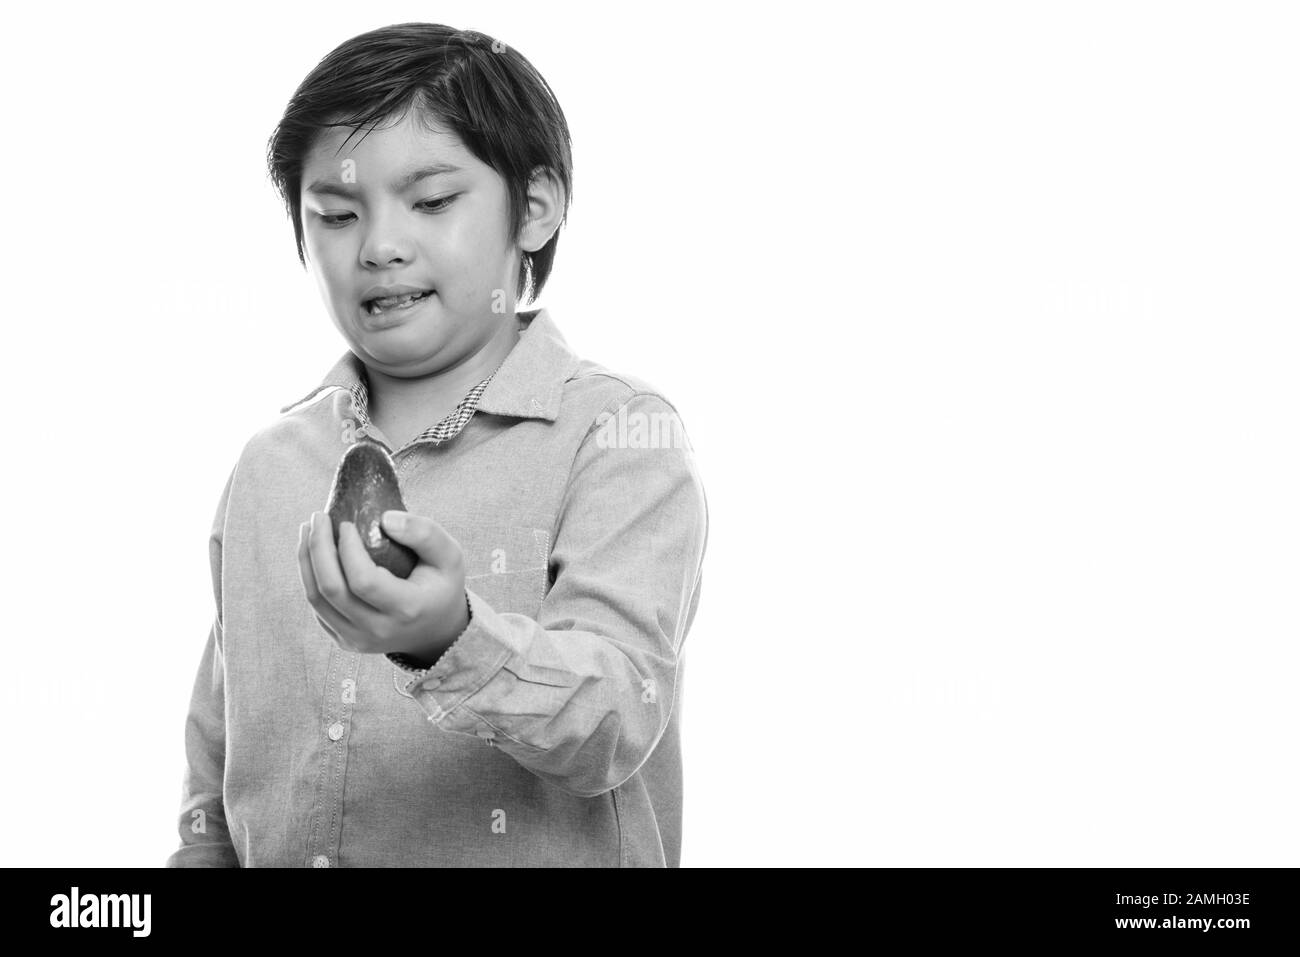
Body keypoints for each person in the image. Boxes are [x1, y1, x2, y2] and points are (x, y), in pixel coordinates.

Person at [166, 22, 708, 868]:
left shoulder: (618, 436)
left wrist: (451, 635)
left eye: (431, 202)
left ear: (534, 208)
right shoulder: (269, 468)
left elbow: (616, 719)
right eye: (337, 214)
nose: (379, 245)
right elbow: (219, 767)